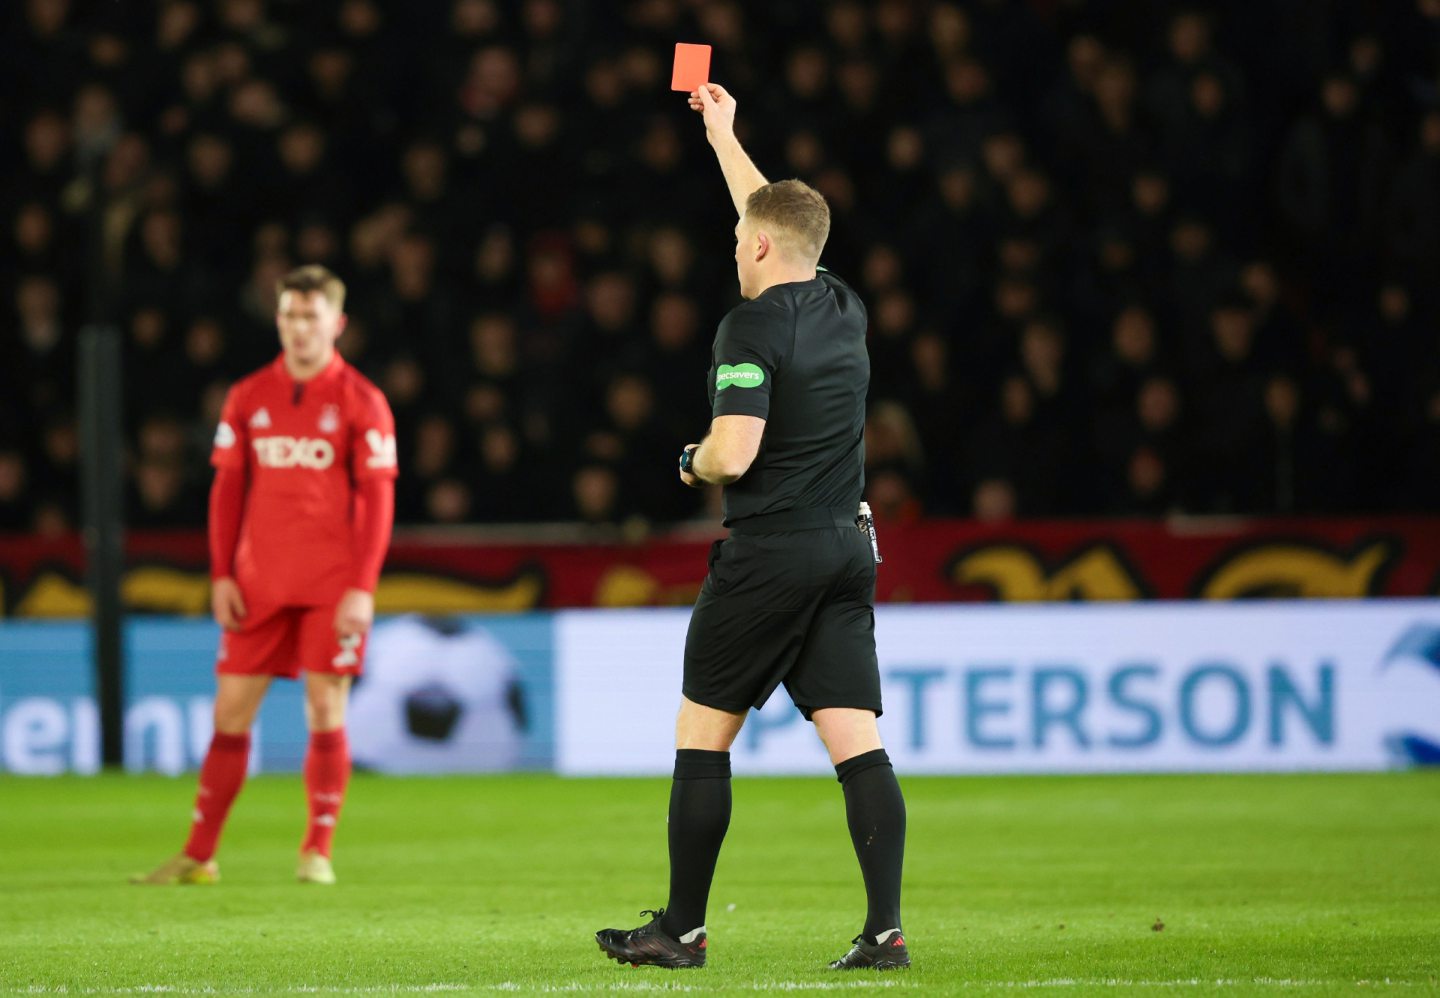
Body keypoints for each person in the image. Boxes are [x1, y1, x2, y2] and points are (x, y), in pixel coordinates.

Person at [594, 83, 909, 972]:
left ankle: (681, 931)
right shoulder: (844, 308)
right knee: (857, 742)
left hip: (772, 551)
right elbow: (772, 211)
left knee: (703, 738)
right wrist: (725, 136)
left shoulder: (749, 326)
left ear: (761, 248)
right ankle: (884, 934)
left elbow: (734, 452)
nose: (735, 246)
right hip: (850, 548)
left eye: (740, 239)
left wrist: (690, 460)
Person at [133, 265, 398, 886]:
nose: (299, 327)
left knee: (324, 708)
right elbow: (227, 491)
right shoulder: (248, 396)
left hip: (331, 587)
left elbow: (377, 500)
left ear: (338, 323)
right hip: (258, 585)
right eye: (289, 315)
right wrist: (222, 574)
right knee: (229, 713)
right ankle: (198, 854)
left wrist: (362, 586)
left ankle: (317, 851)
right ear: (276, 319)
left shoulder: (362, 400)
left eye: (311, 316)